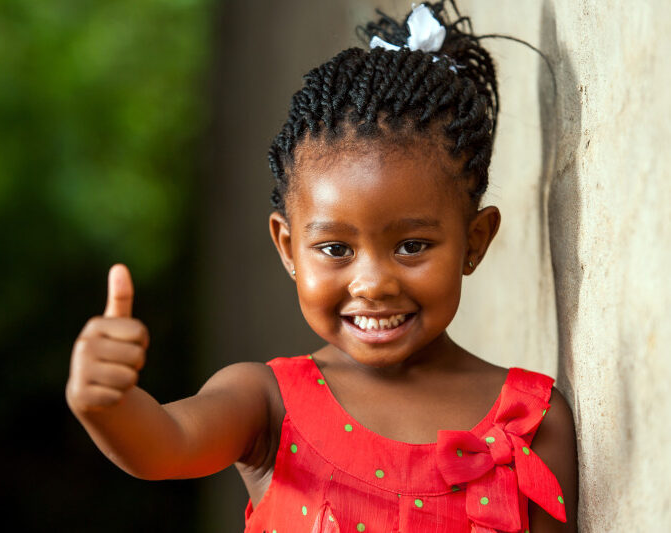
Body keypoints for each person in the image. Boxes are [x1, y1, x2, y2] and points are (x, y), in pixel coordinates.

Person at [65, 2, 578, 532]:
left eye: (412, 246)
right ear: (288, 248)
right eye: (336, 249)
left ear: (476, 240)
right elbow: (166, 443)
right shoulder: (267, 404)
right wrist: (106, 405)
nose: (373, 283)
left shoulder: (529, 424)